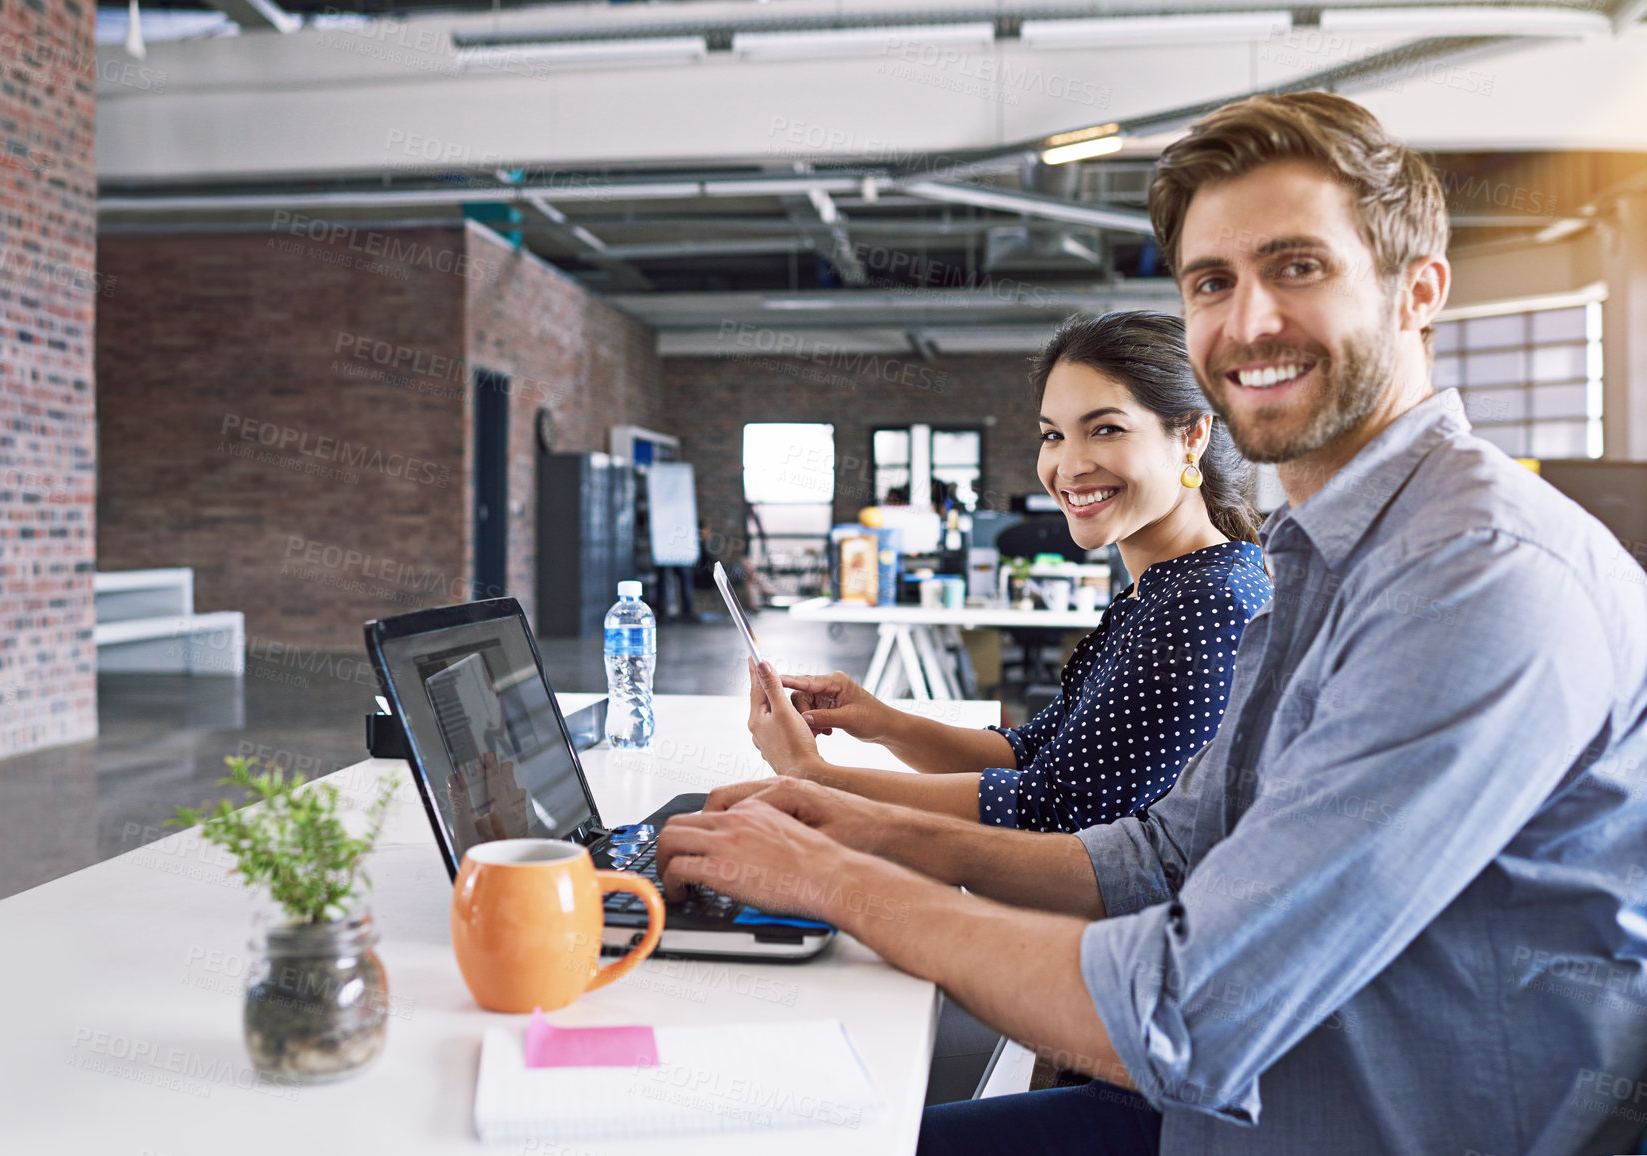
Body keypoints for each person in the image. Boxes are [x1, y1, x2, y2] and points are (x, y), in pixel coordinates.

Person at [655, 91, 1647, 1156]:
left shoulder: (1476, 580)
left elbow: (1185, 1011)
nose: (1249, 319)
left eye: (1298, 266)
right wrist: (846, 819)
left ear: (1419, 294)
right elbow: (1161, 856)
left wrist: (828, 875)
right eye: (1212, 282)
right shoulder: (1318, 556)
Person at [728, 312, 1272, 834]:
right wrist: (880, 721)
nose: (1070, 465)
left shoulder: (1208, 603)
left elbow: (1056, 812)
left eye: (1106, 429)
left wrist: (813, 779)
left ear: (1192, 437)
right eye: (1053, 435)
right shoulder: (1164, 587)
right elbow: (1031, 754)